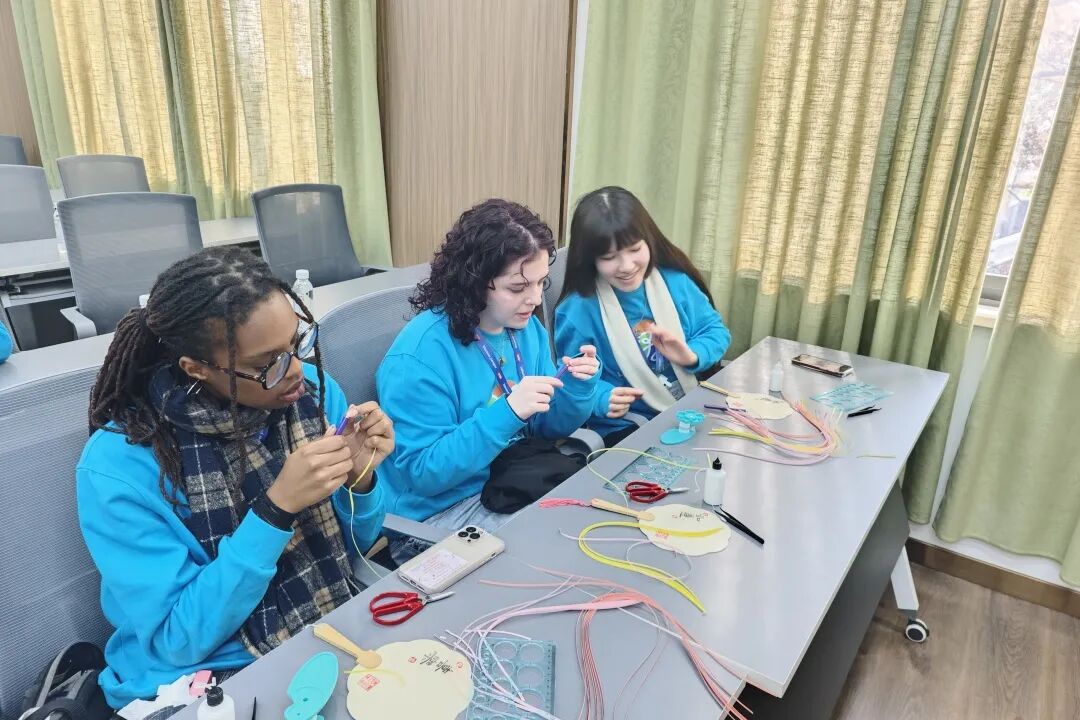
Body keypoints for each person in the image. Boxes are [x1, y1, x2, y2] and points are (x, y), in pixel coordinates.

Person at [77, 247, 394, 710]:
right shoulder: (121, 465)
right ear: (196, 368)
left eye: (296, 344)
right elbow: (177, 640)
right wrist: (275, 511)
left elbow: (354, 549)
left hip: (322, 626)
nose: (296, 371)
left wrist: (358, 480)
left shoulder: (311, 397)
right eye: (267, 363)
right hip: (201, 674)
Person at [376, 199, 599, 552]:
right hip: (439, 513)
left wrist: (576, 389)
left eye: (541, 283)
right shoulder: (419, 357)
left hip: (510, 478)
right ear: (475, 281)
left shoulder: (525, 330)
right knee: (559, 549)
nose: (534, 299)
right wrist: (507, 413)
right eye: (518, 288)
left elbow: (545, 429)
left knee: (590, 526)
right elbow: (423, 474)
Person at [555, 186, 731, 446]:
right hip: (629, 425)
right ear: (590, 259)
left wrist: (691, 355)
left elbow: (716, 331)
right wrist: (602, 397)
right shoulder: (578, 311)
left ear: (649, 240)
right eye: (609, 257)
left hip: (690, 410)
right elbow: (569, 376)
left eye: (635, 249)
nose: (626, 266)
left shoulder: (675, 282)